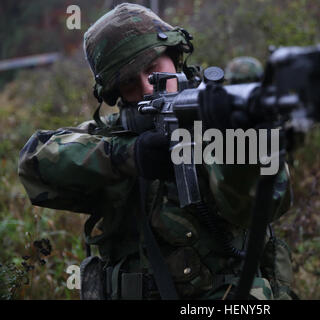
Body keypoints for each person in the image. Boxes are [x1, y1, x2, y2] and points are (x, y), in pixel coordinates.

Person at [18, 3, 294, 300]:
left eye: (153, 70)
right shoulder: (116, 133)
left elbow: (263, 204)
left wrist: (241, 140)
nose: (148, 89)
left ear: (175, 58)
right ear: (116, 93)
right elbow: (33, 162)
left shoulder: (217, 122)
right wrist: (129, 155)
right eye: (129, 84)